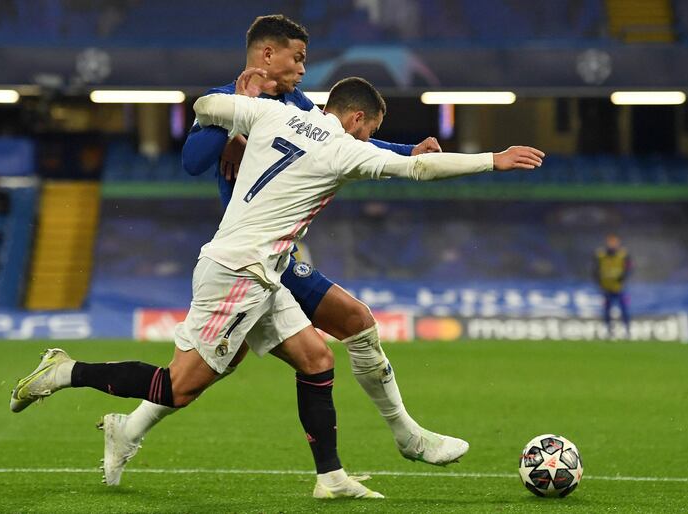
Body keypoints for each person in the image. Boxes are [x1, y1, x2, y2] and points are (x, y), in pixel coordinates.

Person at [10, 75, 543, 500]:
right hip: (239, 275)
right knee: (179, 386)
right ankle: (66, 371)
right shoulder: (343, 149)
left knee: (317, 359)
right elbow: (420, 169)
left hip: (259, 271)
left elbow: (203, 108)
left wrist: (236, 101)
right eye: (369, 129)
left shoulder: (276, 112)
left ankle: (331, 477)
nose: (366, 139)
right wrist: (493, 160)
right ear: (358, 119)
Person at [103, 13, 453, 487]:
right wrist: (229, 130)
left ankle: (365, 457)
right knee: (327, 334)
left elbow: (345, 141)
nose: (303, 69)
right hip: (248, 257)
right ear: (268, 54)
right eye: (298, 57)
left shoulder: (293, 103)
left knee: (311, 346)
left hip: (277, 256)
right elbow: (191, 163)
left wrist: (407, 151)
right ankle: (399, 440)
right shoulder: (230, 101)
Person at [593, 234, 632, 337]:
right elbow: (595, 269)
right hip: (606, 288)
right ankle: (609, 331)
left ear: (618, 243)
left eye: (614, 242)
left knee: (624, 310)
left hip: (620, 288)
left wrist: (623, 277)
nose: (612, 244)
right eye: (610, 242)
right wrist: (599, 281)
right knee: (606, 311)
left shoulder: (623, 255)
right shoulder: (600, 255)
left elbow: (629, 268)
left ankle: (627, 331)